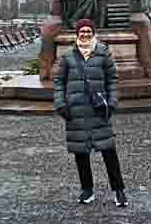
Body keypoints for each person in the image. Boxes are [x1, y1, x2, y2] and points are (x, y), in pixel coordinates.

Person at [53, 17, 126, 206]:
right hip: (75, 110)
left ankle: (119, 191)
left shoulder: (103, 53)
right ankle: (87, 190)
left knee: (109, 152)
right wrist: (61, 105)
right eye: (82, 31)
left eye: (88, 31)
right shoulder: (68, 56)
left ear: (94, 33)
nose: (85, 34)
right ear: (77, 34)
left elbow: (112, 80)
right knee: (81, 153)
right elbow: (59, 82)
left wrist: (112, 103)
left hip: (99, 109)